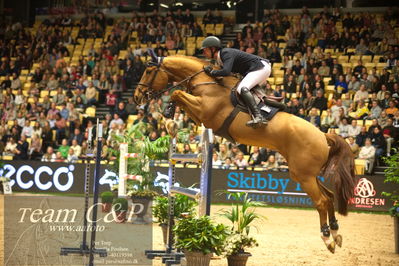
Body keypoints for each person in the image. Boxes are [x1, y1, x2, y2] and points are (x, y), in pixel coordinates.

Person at [201, 36, 271, 128]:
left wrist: (212, 72)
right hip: (257, 69)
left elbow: (226, 72)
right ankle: (271, 106)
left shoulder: (225, 53)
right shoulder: (220, 60)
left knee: (242, 88)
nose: (203, 53)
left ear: (213, 48)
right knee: (246, 91)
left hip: (260, 67)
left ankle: (259, 117)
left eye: (205, 50)